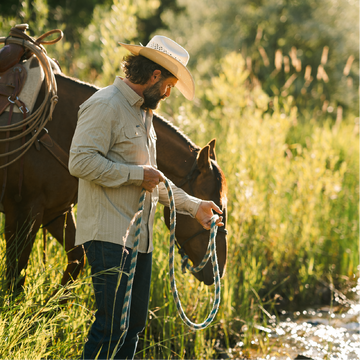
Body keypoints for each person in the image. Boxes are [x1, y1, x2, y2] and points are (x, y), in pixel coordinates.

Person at [68, 35, 224, 360]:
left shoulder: (144, 115)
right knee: (112, 327)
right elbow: (80, 162)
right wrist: (136, 175)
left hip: (140, 242)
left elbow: (155, 179)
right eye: (168, 85)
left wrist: (194, 207)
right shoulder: (105, 104)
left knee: (133, 326)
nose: (168, 94)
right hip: (109, 237)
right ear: (154, 77)